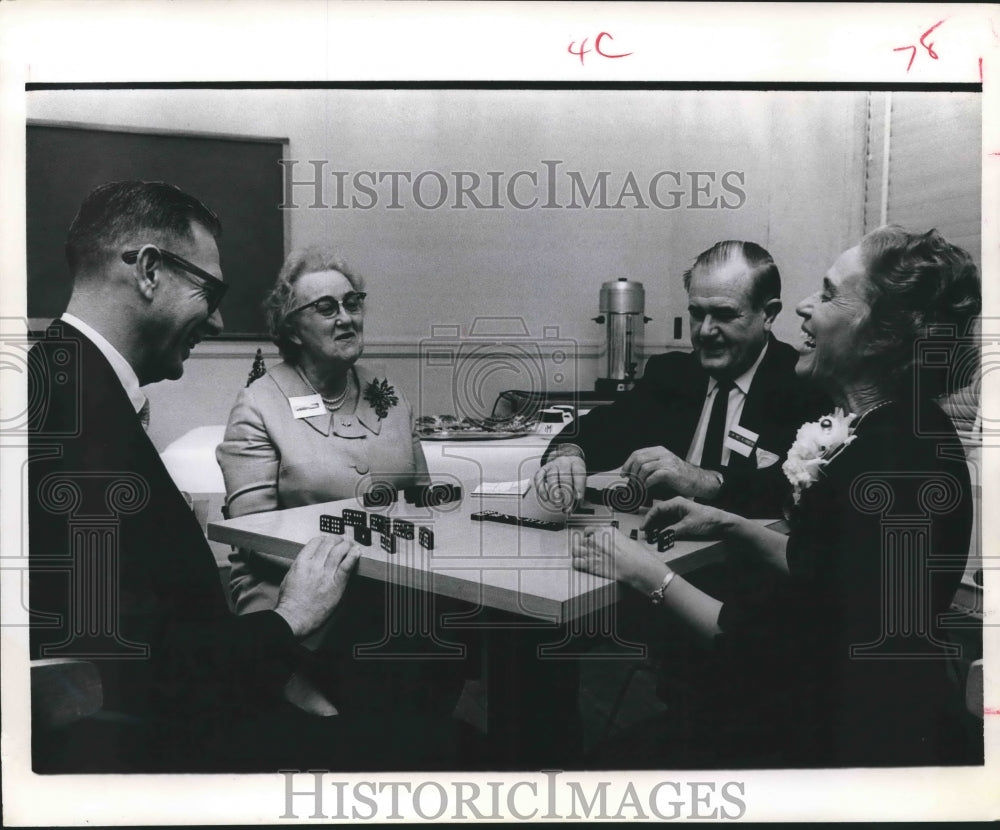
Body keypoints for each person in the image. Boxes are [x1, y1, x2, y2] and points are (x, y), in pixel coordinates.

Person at [28, 181, 462, 772]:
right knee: (444, 752)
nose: (220, 318)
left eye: (352, 301)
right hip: (181, 741)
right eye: (209, 290)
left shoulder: (63, 389)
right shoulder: (77, 418)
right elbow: (139, 664)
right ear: (150, 271)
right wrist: (288, 626)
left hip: (213, 691)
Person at [571, 226, 981, 767]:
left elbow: (760, 646)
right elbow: (825, 569)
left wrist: (644, 571)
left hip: (834, 739)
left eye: (831, 294)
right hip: (843, 706)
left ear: (881, 334)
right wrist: (728, 524)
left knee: (596, 775)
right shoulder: (895, 430)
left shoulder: (890, 466)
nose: (806, 308)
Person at [216, 247, 466, 719]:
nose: (347, 318)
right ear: (291, 327)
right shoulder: (258, 405)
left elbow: (423, 500)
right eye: (327, 308)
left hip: (394, 591)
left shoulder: (387, 394)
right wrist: (366, 560)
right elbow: (255, 536)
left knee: (456, 649)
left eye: (353, 303)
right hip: (295, 594)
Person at [534, 240, 828, 520]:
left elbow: (802, 492)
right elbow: (601, 429)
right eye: (697, 314)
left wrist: (705, 480)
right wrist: (569, 456)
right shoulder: (671, 375)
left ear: (768, 314)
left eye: (724, 315)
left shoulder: (802, 384)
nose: (705, 331)